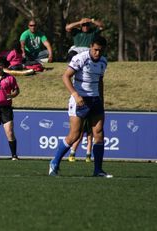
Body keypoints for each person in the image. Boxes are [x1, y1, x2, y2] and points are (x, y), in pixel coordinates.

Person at [48, 35, 112, 178]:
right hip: (80, 100)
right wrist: (76, 95)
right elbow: (65, 77)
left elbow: (100, 81)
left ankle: (98, 170)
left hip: (95, 100)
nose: (98, 53)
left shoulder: (103, 61)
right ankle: (54, 163)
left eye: (101, 51)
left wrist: (101, 99)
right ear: (91, 46)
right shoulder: (81, 58)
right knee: (74, 135)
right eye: (95, 50)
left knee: (99, 133)